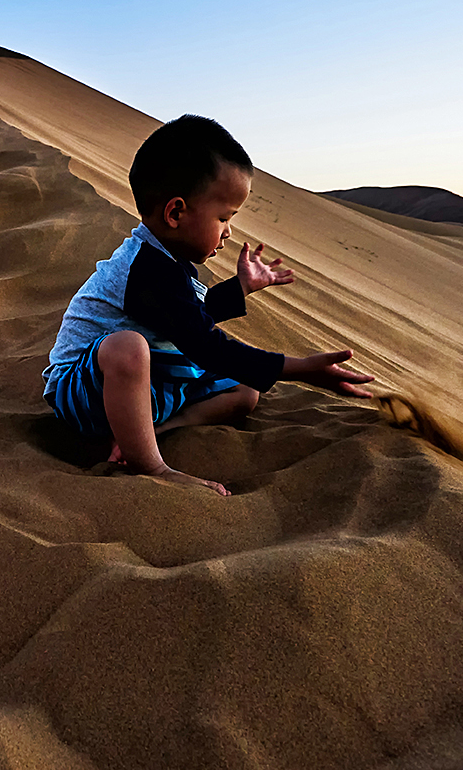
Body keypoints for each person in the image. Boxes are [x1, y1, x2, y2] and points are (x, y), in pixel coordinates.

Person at [44, 115, 374, 496]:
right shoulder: (144, 269)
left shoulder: (170, 262)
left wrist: (241, 288)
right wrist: (297, 368)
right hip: (84, 393)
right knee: (128, 347)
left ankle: (150, 431)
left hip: (143, 386)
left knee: (245, 391)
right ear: (176, 213)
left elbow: (187, 318)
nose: (229, 232)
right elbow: (202, 341)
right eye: (224, 217)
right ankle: (150, 465)